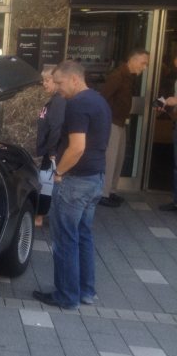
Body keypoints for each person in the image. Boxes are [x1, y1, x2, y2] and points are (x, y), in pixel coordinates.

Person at [33, 60, 111, 309]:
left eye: (60, 82)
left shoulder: (77, 105)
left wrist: (59, 173)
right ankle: (86, 291)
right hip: (95, 178)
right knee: (84, 235)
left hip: (76, 181)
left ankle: (66, 296)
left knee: (65, 238)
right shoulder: (99, 100)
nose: (56, 87)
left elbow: (77, 147)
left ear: (75, 79)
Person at [98, 49, 150, 207]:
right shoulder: (117, 76)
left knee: (118, 158)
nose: (145, 67)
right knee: (110, 158)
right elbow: (103, 99)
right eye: (143, 63)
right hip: (112, 122)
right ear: (133, 60)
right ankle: (103, 194)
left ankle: (112, 190)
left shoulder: (128, 77)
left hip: (121, 122)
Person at [35, 65, 66, 227]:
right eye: (43, 81)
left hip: (52, 152)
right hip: (49, 149)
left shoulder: (58, 101)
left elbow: (56, 128)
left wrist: (52, 151)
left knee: (46, 184)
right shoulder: (54, 100)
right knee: (46, 183)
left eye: (47, 80)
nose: (44, 84)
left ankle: (39, 217)